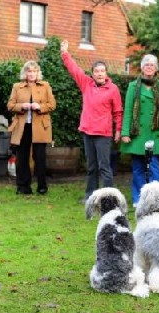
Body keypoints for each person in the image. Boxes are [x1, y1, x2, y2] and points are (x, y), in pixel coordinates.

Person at [60, 40, 123, 202]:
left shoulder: (113, 89)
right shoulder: (86, 84)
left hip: (104, 134)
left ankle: (109, 198)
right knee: (91, 168)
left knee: (105, 168)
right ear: (92, 74)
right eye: (97, 71)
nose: (100, 73)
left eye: (102, 71)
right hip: (88, 132)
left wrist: (118, 131)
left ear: (106, 73)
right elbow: (74, 70)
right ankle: (90, 197)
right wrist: (65, 53)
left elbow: (118, 112)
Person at [120, 54, 159, 207]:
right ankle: (138, 199)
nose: (149, 67)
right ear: (142, 68)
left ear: (156, 68)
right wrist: (125, 132)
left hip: (155, 133)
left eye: (152, 65)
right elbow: (128, 110)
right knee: (138, 167)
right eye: (146, 65)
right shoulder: (133, 86)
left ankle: (158, 199)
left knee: (154, 167)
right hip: (137, 134)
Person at [7, 60, 56, 195]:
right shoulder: (17, 86)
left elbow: (52, 105)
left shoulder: (45, 85)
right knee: (22, 157)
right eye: (29, 71)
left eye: (34, 71)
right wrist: (22, 106)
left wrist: (39, 107)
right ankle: (23, 186)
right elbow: (10, 105)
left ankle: (42, 186)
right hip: (22, 126)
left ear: (38, 73)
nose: (32, 74)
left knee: (39, 157)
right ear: (25, 73)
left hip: (40, 126)